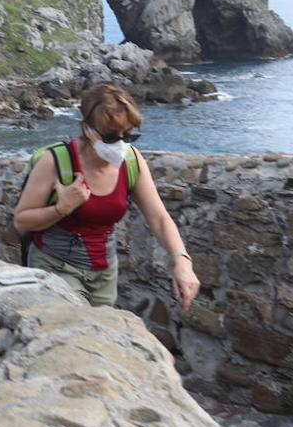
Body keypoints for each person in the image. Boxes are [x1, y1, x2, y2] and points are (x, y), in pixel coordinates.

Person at [12, 83, 199, 309]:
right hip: (57, 266)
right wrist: (61, 208)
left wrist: (181, 260)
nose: (121, 144)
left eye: (129, 135)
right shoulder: (56, 161)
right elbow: (21, 221)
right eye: (111, 137)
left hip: (105, 273)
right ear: (87, 129)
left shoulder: (131, 160)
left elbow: (159, 218)